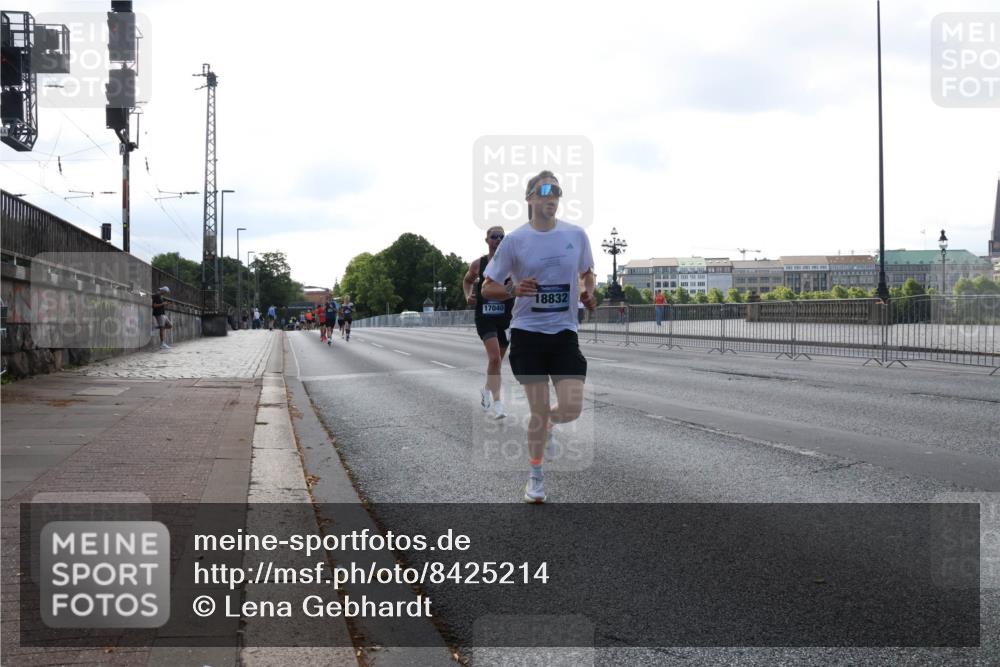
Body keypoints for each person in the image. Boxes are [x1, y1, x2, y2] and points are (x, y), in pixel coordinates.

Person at [481, 170, 596, 503]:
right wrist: (514, 290)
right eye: (544, 190)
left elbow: (588, 272)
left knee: (572, 407)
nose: (552, 196)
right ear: (529, 198)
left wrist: (589, 292)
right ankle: (535, 477)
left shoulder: (576, 234)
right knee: (539, 408)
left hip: (564, 333)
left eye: (557, 191)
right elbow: (488, 287)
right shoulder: (516, 240)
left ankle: (548, 426)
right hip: (528, 334)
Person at [463, 225, 514, 419]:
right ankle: (498, 404)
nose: (498, 240)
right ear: (487, 240)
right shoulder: (478, 264)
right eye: (494, 237)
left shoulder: (512, 264)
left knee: (497, 363)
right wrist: (468, 295)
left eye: (502, 237)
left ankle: (486, 390)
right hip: (485, 317)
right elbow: (467, 281)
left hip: (505, 318)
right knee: (494, 359)